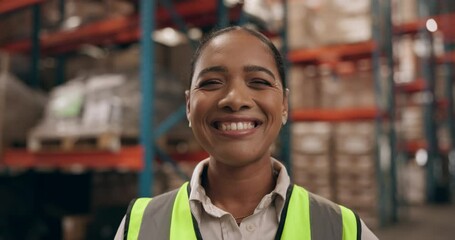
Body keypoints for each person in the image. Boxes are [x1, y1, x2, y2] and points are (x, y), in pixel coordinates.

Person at [114, 26, 379, 240]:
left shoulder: (342, 230)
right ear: (188, 106)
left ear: (284, 105)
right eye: (211, 82)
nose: (235, 98)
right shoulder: (138, 228)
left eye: (259, 82)